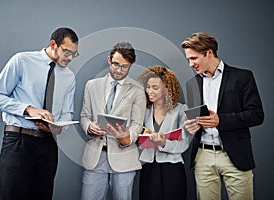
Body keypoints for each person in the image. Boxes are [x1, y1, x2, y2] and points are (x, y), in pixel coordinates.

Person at [0, 27, 79, 200]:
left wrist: (57, 128)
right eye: (67, 52)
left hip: (48, 145)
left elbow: (67, 113)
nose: (70, 58)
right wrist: (29, 109)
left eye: (74, 54)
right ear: (53, 44)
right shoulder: (22, 60)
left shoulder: (69, 77)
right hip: (18, 142)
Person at [181, 32, 264, 200]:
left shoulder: (242, 77)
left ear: (209, 52)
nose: (191, 64)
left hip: (235, 156)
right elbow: (194, 120)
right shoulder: (192, 84)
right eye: (188, 59)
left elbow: (256, 115)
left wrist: (221, 120)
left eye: (194, 58)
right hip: (202, 156)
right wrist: (191, 126)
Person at [80, 42, 146, 200]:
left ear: (131, 65)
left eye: (125, 67)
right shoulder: (92, 85)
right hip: (95, 157)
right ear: (109, 60)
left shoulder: (137, 90)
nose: (119, 70)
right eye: (116, 64)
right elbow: (84, 115)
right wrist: (89, 127)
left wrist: (127, 138)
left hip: (124, 158)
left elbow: (138, 123)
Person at [138, 65, 191, 200]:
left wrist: (163, 143)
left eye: (155, 88)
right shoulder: (144, 110)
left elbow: (184, 144)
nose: (149, 91)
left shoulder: (181, 110)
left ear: (167, 89)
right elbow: (137, 140)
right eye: (148, 87)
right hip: (148, 168)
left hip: (172, 169)